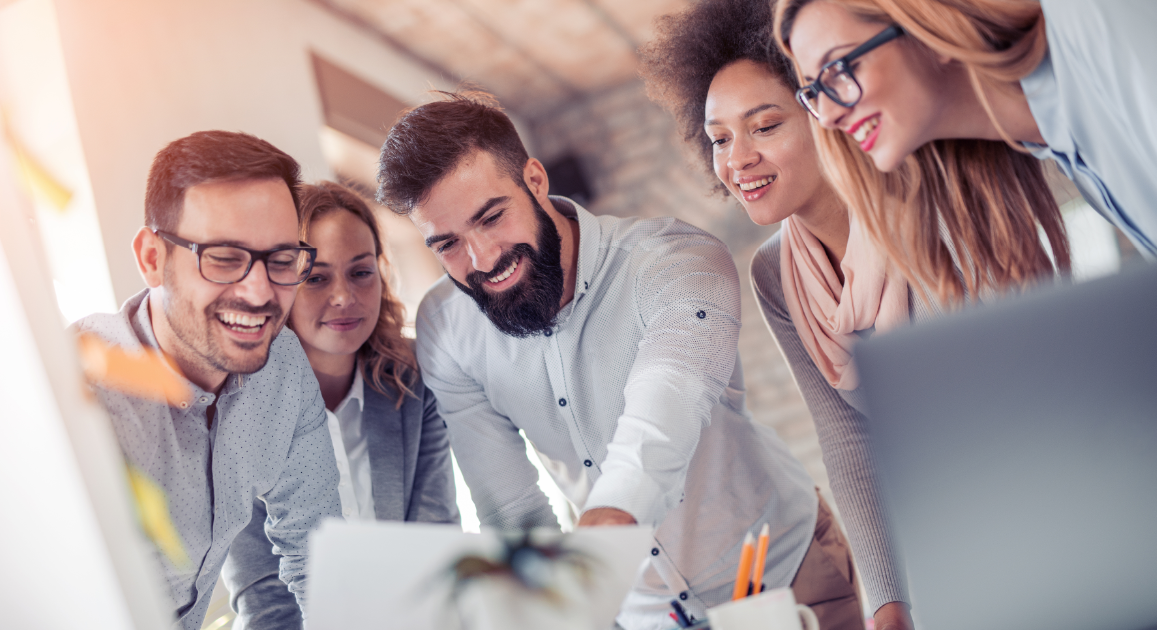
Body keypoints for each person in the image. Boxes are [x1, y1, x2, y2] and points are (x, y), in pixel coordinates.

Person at [374, 91, 838, 630]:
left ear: (535, 179)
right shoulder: (446, 328)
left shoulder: (678, 261)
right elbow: (512, 509)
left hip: (783, 577)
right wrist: (548, 605)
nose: (482, 259)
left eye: (492, 217)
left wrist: (607, 523)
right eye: (446, 244)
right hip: (642, 616)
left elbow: (666, 406)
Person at [639, 1, 919, 629]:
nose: (737, 160)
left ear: (824, 111)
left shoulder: (924, 214)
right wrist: (889, 603)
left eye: (764, 126)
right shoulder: (775, 273)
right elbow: (850, 441)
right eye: (719, 139)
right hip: (929, 536)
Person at [74, 131, 341, 630]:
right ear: (152, 259)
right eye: (223, 258)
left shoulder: (282, 364)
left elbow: (319, 556)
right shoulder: (78, 392)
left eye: (282, 260)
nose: (260, 293)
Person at [222, 181, 459, 630]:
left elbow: (436, 545)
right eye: (316, 277)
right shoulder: (241, 413)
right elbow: (263, 598)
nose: (344, 297)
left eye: (360, 272)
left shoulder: (412, 383)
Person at [773, 0, 1083, 307]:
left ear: (930, 28)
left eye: (840, 68)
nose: (826, 117)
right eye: (814, 92)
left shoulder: (1097, 56)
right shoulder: (1051, 143)